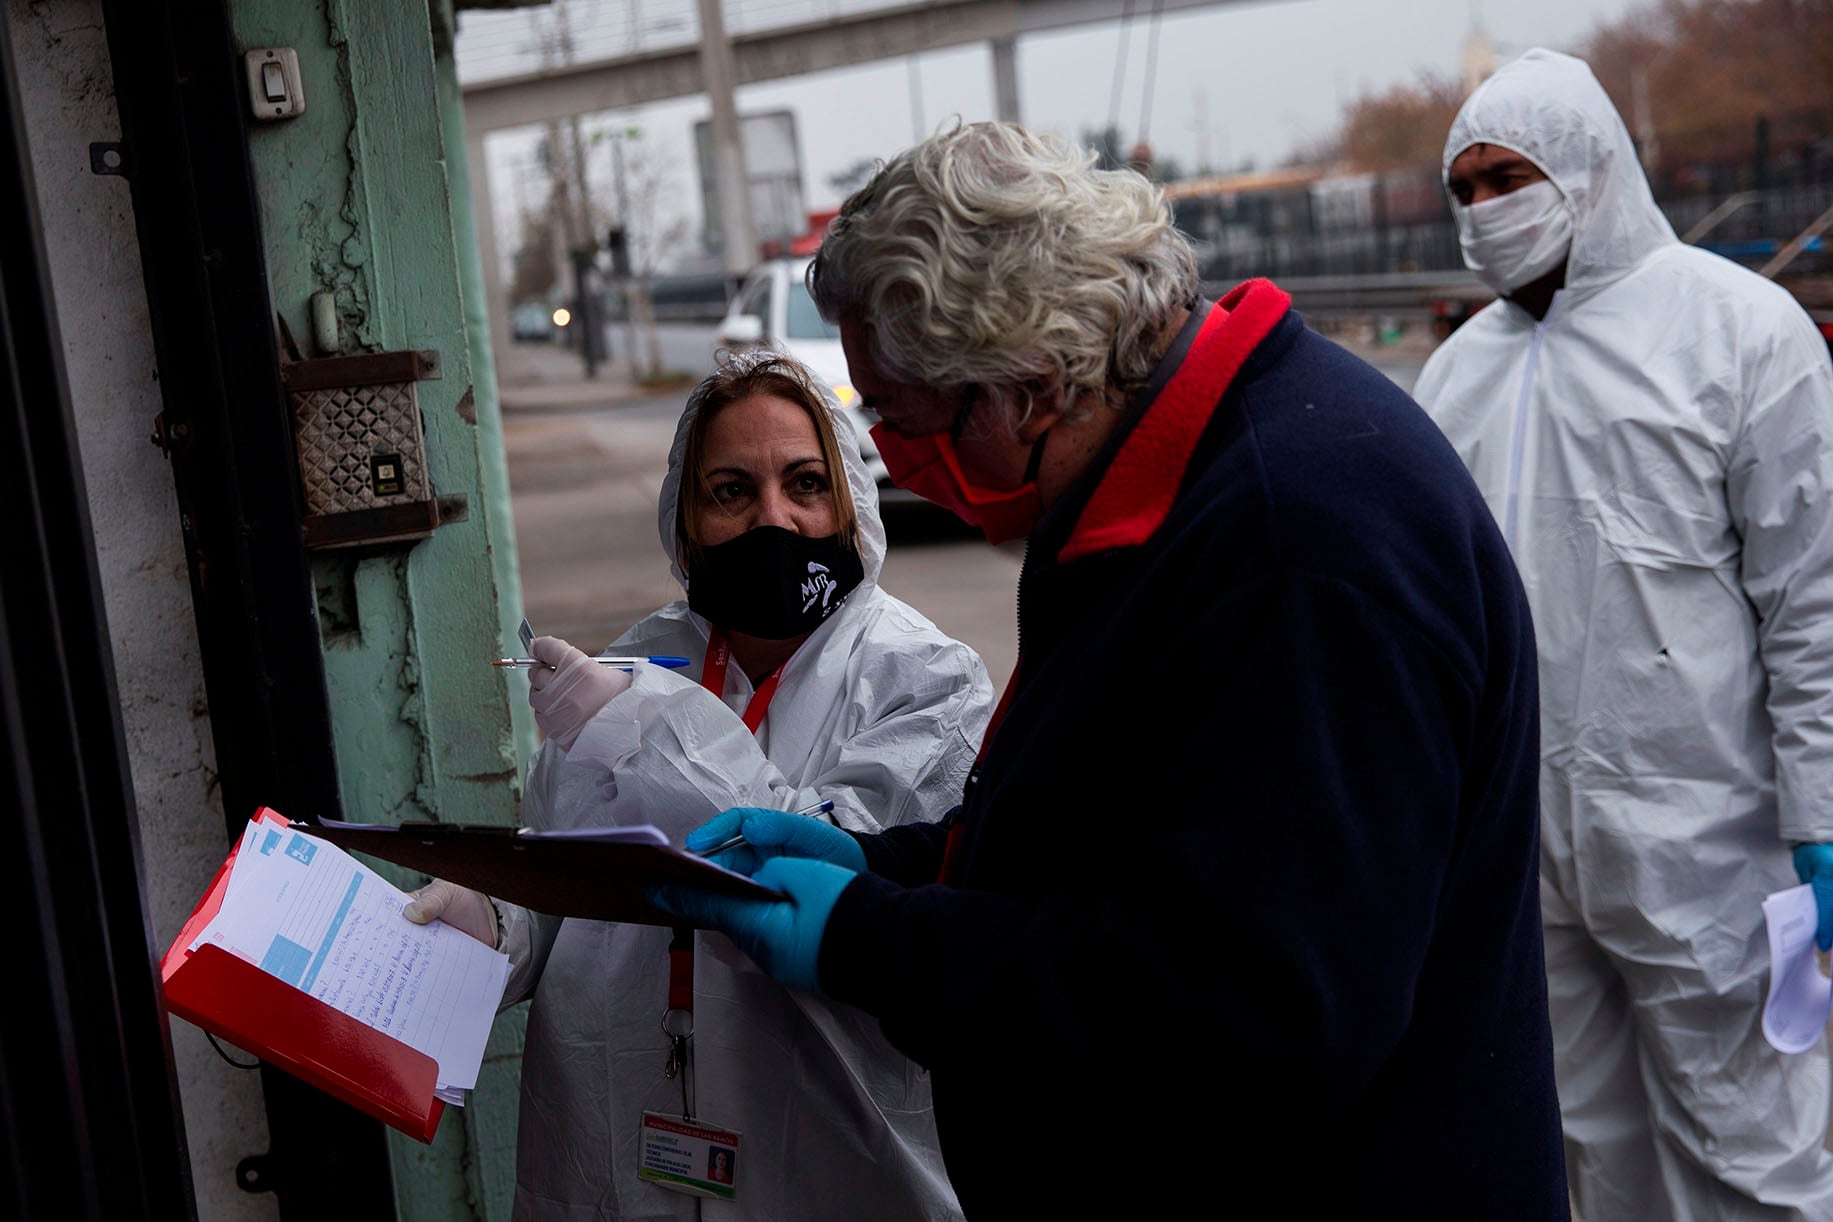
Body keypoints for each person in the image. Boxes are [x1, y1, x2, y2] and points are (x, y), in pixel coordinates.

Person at [655, 121, 1567, 1217]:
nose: (887, 460)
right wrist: (898, 867)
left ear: (1030, 387)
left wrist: (870, 939)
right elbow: (1130, 835)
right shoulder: (1170, 490)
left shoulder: (1297, 553)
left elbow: (1253, 1009)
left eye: (900, 416)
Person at [407, 350, 994, 1221]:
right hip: (617, 1144)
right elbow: (570, 882)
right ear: (685, 520)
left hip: (827, 1154)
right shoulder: (639, 661)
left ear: (850, 503)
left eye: (805, 484)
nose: (775, 521)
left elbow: (804, 855)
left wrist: (638, 731)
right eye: (730, 492)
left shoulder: (928, 681)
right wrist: (496, 925)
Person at [1412, 48, 1833, 1219]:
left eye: (1514, 177)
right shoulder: (1455, 378)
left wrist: (1824, 814)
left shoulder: (1739, 333)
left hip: (1713, 846)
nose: (1490, 210)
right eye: (1469, 187)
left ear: (1593, 169)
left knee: (1755, 1158)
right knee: (1583, 1153)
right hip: (1520, 855)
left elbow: (1815, 600)